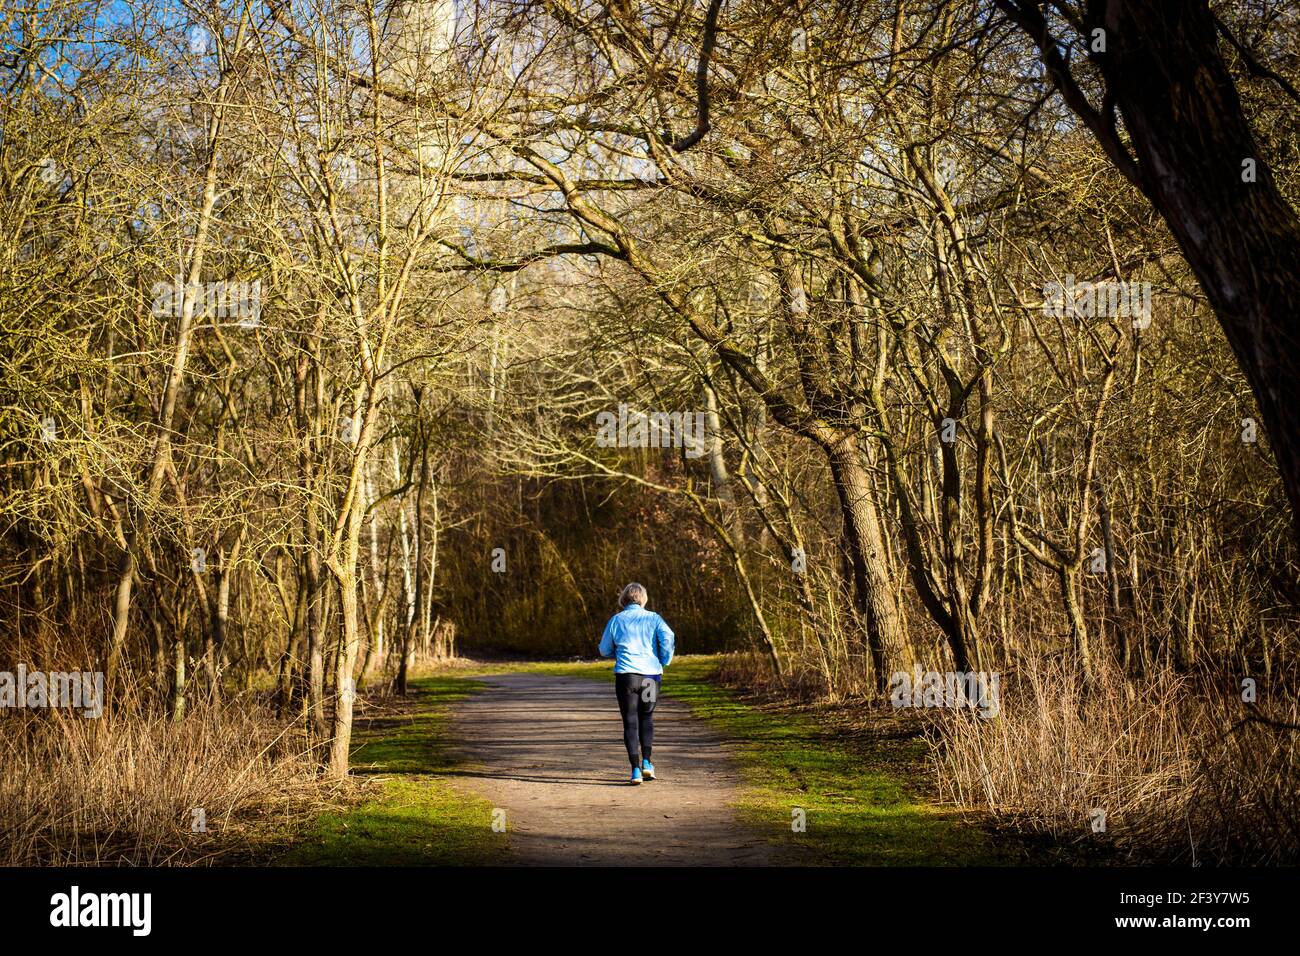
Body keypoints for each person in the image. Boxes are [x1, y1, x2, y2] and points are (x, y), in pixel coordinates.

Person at [598, 582, 675, 784]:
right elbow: (668, 636)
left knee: (630, 721)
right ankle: (648, 763)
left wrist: (618, 652)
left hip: (627, 677)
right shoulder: (654, 618)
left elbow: (604, 650)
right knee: (646, 717)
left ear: (624, 598)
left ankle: (635, 770)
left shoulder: (616, 620)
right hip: (650, 676)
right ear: (643, 598)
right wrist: (665, 659)